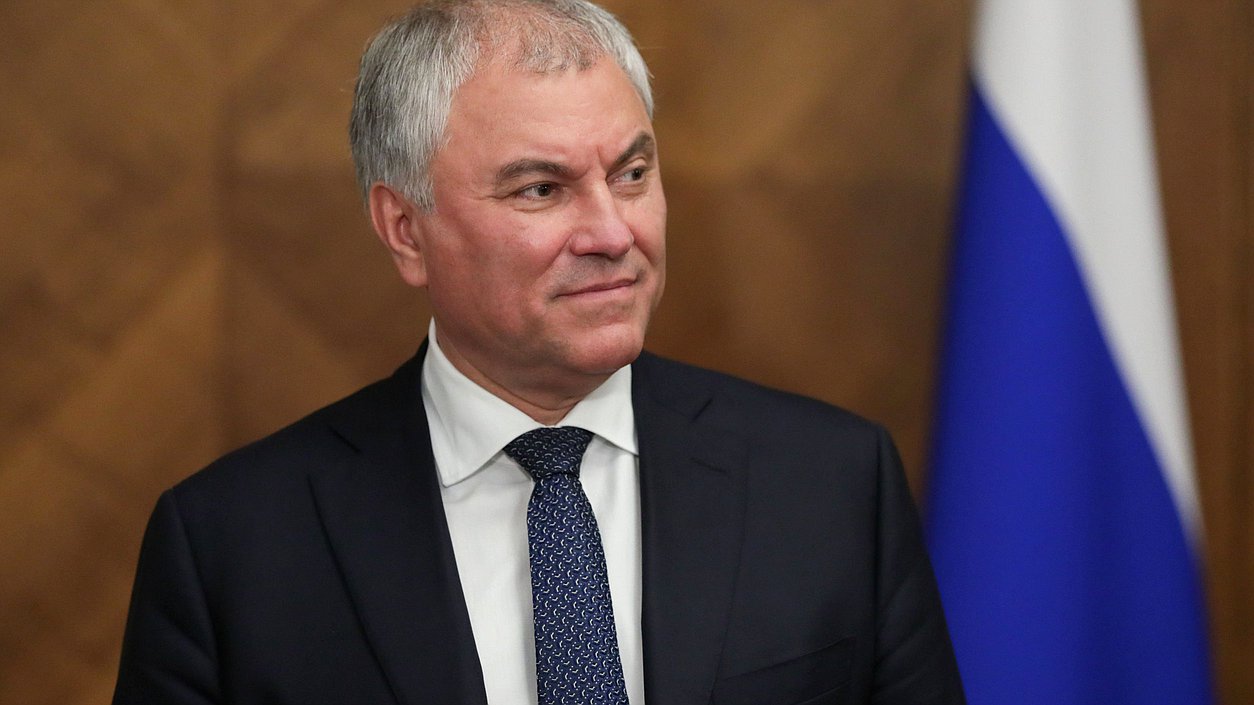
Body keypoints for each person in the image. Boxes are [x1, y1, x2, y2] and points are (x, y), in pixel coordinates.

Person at [112, 1, 965, 703]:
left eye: (631, 174)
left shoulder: (832, 483)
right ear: (405, 229)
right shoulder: (232, 545)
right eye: (542, 188)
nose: (612, 232)